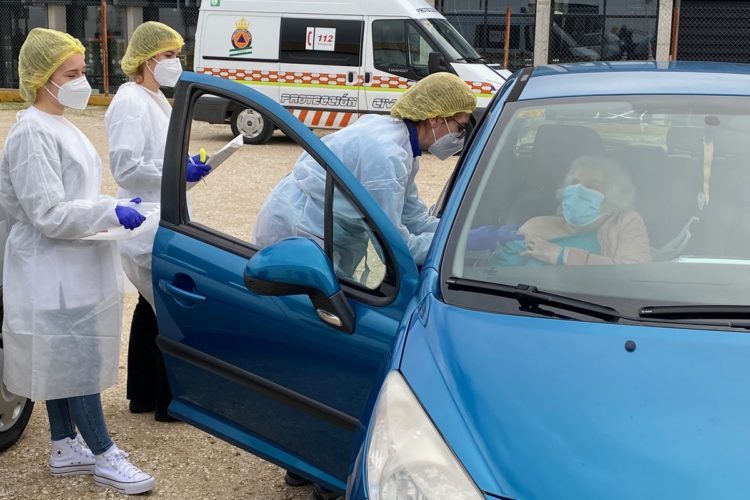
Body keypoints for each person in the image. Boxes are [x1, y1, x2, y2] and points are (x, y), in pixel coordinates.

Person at [0, 28, 154, 494]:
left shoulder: (59, 124)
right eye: (71, 73)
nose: (81, 80)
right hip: (50, 266)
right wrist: (109, 210)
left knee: (64, 357)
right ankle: (105, 452)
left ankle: (64, 445)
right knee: (77, 358)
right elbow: (46, 212)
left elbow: (73, 198)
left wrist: (108, 207)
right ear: (42, 78)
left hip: (73, 260)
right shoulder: (31, 133)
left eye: (81, 70)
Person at [254, 72, 476, 266]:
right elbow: (396, 246)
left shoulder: (400, 143)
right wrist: (458, 246)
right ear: (436, 118)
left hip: (316, 226)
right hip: (298, 229)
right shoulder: (387, 156)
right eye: (460, 126)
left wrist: (460, 232)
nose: (460, 136)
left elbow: (413, 217)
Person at [105, 21, 209, 422]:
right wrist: (176, 171)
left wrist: (185, 168)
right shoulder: (131, 101)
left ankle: (145, 395)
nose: (175, 62)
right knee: (169, 307)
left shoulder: (155, 98)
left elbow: (159, 158)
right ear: (148, 60)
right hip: (144, 223)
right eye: (168, 55)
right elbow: (126, 168)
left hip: (158, 217)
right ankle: (169, 402)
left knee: (151, 308)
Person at [470, 155, 651, 266]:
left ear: (613, 200)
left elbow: (633, 272)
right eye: (574, 183)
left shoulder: (626, 222)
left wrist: (562, 256)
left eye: (591, 186)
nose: (579, 191)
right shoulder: (537, 224)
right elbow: (498, 273)